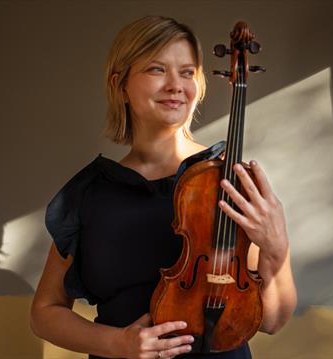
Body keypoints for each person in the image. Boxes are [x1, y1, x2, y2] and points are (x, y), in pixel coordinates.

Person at [30, 15, 297, 359]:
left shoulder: (225, 181)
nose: (175, 85)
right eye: (157, 69)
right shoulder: (89, 193)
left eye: (187, 72)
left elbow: (272, 321)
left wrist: (277, 249)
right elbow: (44, 312)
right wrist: (118, 343)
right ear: (120, 84)